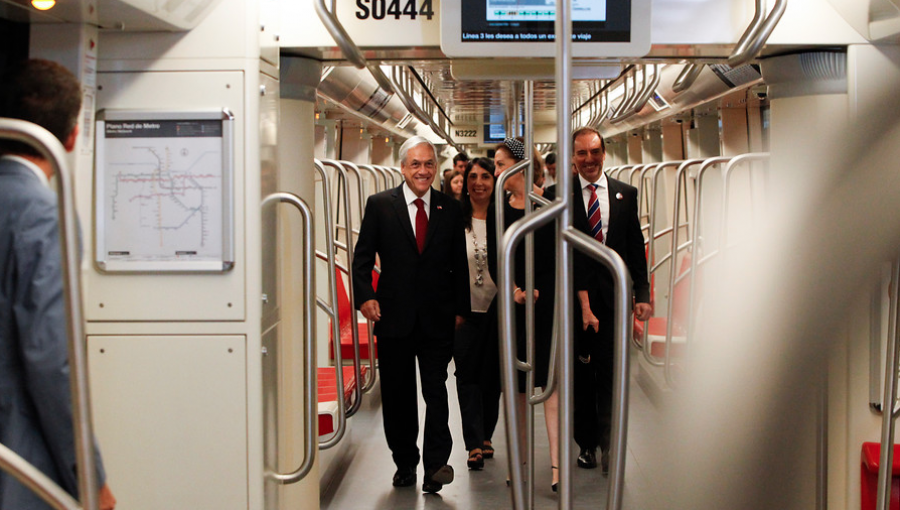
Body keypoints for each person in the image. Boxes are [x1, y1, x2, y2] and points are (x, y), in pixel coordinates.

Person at [0, 59, 117, 510]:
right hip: (20, 457)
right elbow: (51, 360)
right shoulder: (44, 217)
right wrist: (88, 475)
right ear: (70, 137)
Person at [352, 136, 470, 494]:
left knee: (436, 393)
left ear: (436, 168)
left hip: (437, 318)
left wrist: (461, 310)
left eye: (429, 164)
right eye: (415, 164)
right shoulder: (379, 206)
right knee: (399, 395)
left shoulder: (448, 209)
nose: (423, 170)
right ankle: (405, 462)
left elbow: (458, 265)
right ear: (403, 168)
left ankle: (436, 465)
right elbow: (361, 260)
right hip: (393, 317)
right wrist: (365, 298)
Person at [568, 127, 651, 475]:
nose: (589, 159)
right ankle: (586, 442)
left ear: (604, 153)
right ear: (573, 158)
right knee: (581, 376)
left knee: (611, 375)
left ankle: (609, 445)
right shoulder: (563, 196)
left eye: (595, 152)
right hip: (576, 300)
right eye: (582, 153)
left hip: (613, 298)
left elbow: (634, 246)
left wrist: (642, 294)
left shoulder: (625, 194)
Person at [493, 137, 560, 491]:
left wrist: (539, 290)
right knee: (516, 389)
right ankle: (517, 463)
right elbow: (496, 259)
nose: (496, 170)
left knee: (550, 387)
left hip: (547, 304)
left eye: (502, 164)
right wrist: (515, 289)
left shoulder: (550, 205)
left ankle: (556, 467)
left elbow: (557, 256)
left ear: (521, 167)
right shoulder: (498, 208)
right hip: (513, 307)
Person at [452, 158, 500, 471]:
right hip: (464, 313)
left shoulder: (504, 218)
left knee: (492, 378)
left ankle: (487, 435)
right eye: (473, 177)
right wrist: (453, 309)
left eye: (485, 176)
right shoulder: (455, 219)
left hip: (497, 311)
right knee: (466, 375)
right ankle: (473, 443)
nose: (478, 182)